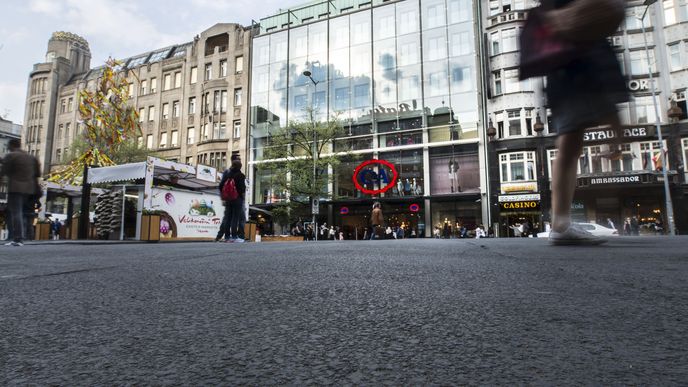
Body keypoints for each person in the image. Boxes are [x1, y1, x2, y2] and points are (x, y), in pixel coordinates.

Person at [542, 0, 628, 245]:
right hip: (575, 59)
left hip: (574, 58)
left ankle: (560, 221)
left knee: (571, 142)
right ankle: (560, 223)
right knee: (570, 142)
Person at [2, 139, 41, 246]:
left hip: (15, 187)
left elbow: (3, 171)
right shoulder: (31, 157)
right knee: (21, 212)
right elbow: (37, 173)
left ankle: (17, 238)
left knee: (16, 213)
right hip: (29, 189)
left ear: (11, 146)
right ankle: (20, 237)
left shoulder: (11, 156)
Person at [219, 159, 247, 243]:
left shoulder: (227, 174)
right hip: (237, 198)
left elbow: (221, 186)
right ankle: (234, 237)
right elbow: (242, 188)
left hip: (228, 199)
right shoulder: (240, 175)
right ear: (240, 167)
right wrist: (243, 198)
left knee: (228, 218)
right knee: (235, 218)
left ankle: (227, 237)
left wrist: (223, 197)